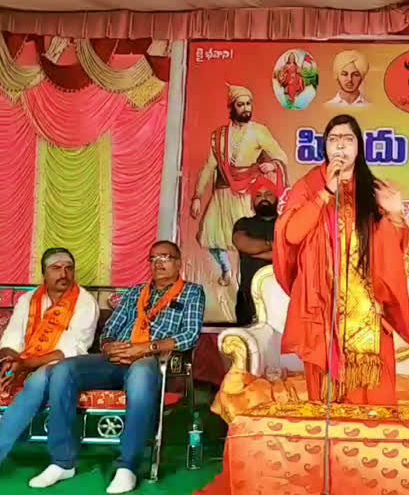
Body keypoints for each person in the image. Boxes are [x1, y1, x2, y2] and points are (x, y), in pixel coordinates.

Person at [32, 241, 204, 493]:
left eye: (166, 257)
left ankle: (127, 467)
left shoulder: (191, 292)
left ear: (178, 263)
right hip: (117, 358)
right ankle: (62, 461)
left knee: (142, 373)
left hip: (152, 359)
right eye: (153, 258)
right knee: (63, 369)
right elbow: (110, 329)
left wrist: (145, 348)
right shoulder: (135, 292)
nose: (158, 262)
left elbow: (189, 335)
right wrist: (111, 347)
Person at [274, 114, 409, 405]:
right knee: (327, 398)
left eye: (348, 139)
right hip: (324, 312)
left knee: (374, 399)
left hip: (368, 310)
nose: (340, 146)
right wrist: (325, 193)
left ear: (359, 147)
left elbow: (394, 252)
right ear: (325, 147)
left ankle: (372, 448)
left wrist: (395, 215)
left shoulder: (374, 189)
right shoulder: (310, 185)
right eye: (333, 139)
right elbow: (291, 235)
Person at [0, 248, 98, 467]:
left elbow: (71, 349)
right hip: (25, 360)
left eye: (68, 268)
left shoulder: (84, 302)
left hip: (65, 366)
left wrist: (25, 365)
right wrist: (10, 361)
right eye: (56, 268)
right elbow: (12, 338)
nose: (64, 274)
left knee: (37, 380)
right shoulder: (28, 299)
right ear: (44, 273)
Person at [190, 84, 289, 287]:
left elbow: (281, 156)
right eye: (241, 104)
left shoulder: (259, 131)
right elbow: (210, 167)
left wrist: (272, 163)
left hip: (246, 193)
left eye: (248, 104)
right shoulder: (219, 136)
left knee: (246, 240)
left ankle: (249, 278)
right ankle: (226, 270)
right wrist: (197, 196)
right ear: (232, 107)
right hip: (222, 192)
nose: (246, 108)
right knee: (213, 238)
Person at [232, 181, 280, 325]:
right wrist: (274, 246)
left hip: (282, 296)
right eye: (258, 195)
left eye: (268, 194)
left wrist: (256, 251)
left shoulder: (287, 223)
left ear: (277, 198)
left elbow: (290, 253)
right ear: (253, 201)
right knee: (248, 344)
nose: (263, 198)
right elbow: (243, 244)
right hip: (248, 298)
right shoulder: (243, 223)